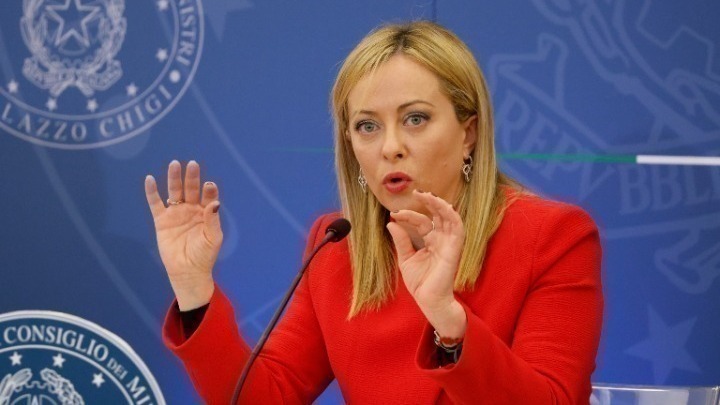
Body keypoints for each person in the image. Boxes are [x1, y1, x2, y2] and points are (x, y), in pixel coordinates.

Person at [145, 21, 603, 404]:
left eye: (415, 119)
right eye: (367, 126)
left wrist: (449, 321)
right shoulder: (337, 247)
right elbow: (265, 397)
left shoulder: (552, 237)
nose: (390, 147)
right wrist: (193, 289)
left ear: (469, 133)